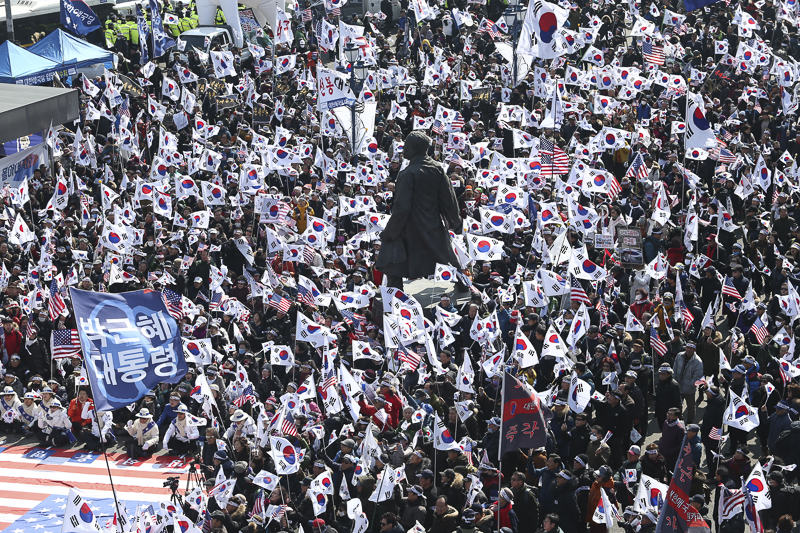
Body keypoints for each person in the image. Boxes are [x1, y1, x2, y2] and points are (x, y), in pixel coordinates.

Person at [376, 131, 462, 289]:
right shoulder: (437, 169)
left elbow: (401, 209)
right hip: (434, 225)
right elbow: (449, 198)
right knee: (446, 256)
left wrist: (389, 232)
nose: (404, 149)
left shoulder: (407, 174)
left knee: (390, 249)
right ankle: (463, 283)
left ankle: (396, 291)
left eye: (406, 145)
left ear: (414, 148)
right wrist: (455, 221)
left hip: (411, 228)